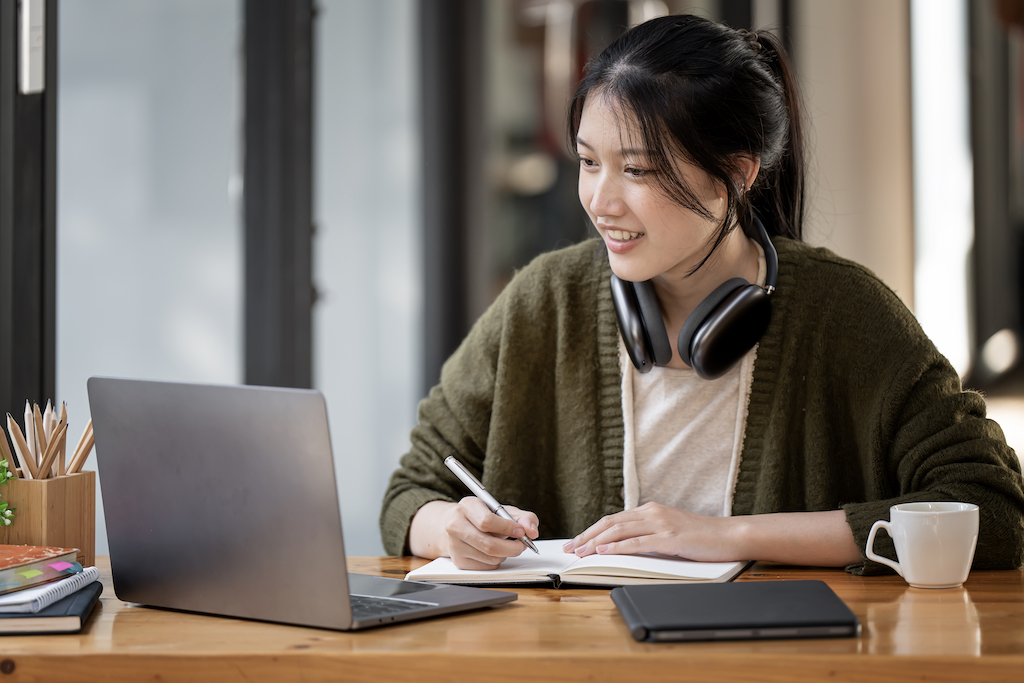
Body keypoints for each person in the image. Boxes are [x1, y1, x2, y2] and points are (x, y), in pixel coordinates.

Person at [380, 14, 1024, 573]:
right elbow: (411, 494)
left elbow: (993, 510)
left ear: (735, 175)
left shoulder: (843, 313)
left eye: (636, 170)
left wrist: (726, 537)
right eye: (587, 162)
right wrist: (451, 529)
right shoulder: (544, 301)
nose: (600, 202)